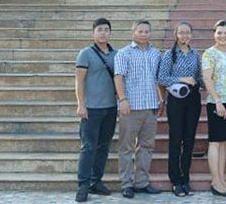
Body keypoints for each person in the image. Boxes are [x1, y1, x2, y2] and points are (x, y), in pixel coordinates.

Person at [113, 20, 164, 199]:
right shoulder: (124, 53)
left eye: (146, 31)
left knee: (147, 147)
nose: (143, 34)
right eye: (140, 31)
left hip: (150, 107)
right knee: (126, 147)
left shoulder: (156, 54)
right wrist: (123, 99)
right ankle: (126, 184)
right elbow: (118, 77)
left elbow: (159, 79)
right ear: (133, 32)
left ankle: (141, 182)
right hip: (130, 107)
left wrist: (160, 99)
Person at [74, 18, 118, 203]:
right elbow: (79, 81)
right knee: (88, 147)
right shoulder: (86, 53)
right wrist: (81, 104)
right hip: (91, 108)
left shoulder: (116, 54)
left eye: (106, 30)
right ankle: (83, 185)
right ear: (93, 33)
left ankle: (96, 181)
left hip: (110, 107)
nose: (103, 33)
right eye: (99, 30)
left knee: (103, 147)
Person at [158, 21, 203, 197]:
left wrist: (203, 82)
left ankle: (185, 178)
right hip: (176, 99)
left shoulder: (195, 54)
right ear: (176, 34)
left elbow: (199, 77)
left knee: (189, 139)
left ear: (191, 34)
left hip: (192, 98)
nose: (184, 36)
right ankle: (175, 180)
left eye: (187, 33)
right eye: (181, 33)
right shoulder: (170, 54)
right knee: (176, 139)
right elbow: (162, 78)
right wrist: (183, 79)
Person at [202, 19, 226, 197]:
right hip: (217, 102)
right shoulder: (209, 54)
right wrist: (217, 101)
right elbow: (207, 79)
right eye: (219, 33)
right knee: (215, 142)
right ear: (214, 34)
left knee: (225, 142)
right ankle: (215, 181)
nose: (222, 36)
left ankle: (222, 179)